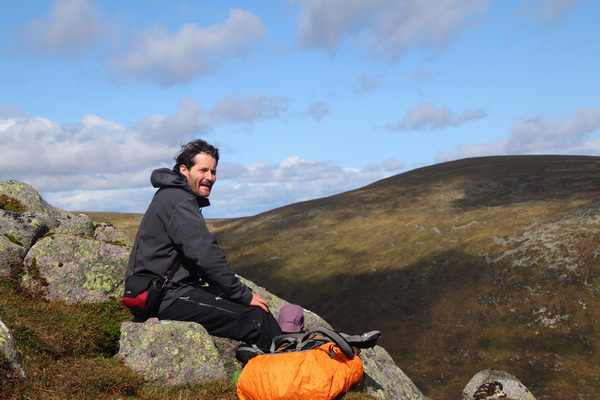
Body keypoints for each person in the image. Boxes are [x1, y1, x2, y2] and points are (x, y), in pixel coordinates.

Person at [124, 139, 283, 351]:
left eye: (213, 171)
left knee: (250, 312)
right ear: (184, 170)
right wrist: (242, 295)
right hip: (165, 296)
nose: (210, 177)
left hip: (160, 291)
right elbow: (205, 254)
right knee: (256, 318)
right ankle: (293, 374)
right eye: (203, 170)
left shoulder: (172, 195)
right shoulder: (179, 200)